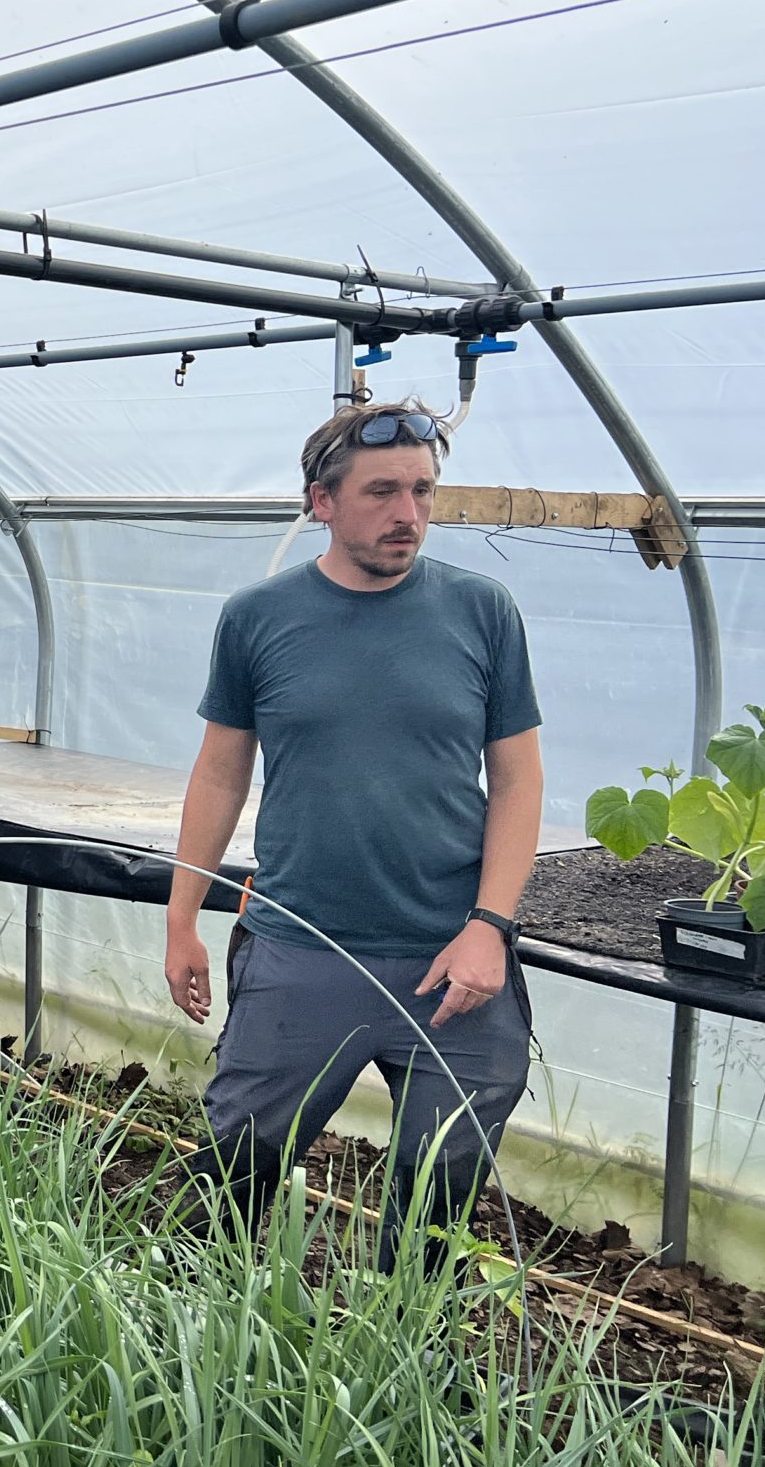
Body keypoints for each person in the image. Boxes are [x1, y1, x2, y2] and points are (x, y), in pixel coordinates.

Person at [163, 401, 543, 1266]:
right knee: (235, 1174)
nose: (408, 515)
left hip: (455, 966)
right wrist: (182, 915)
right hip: (303, 949)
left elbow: (519, 780)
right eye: (381, 492)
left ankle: (401, 1362)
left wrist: (491, 927)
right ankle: (184, 1352)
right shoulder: (258, 618)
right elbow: (220, 773)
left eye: (422, 491)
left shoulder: (482, 612)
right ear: (321, 503)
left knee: (435, 1202)